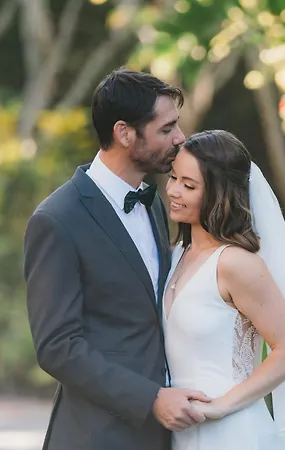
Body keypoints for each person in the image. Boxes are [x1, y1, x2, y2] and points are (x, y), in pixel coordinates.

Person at [23, 69, 211, 450]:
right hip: (97, 435)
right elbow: (57, 347)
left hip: (167, 433)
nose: (180, 138)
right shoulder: (57, 220)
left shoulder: (154, 203)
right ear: (124, 133)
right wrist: (150, 398)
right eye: (166, 128)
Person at [163, 129, 285, 450]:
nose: (173, 190)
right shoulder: (177, 255)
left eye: (189, 185)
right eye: (173, 177)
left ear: (219, 193)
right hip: (181, 432)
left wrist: (220, 406)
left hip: (232, 433)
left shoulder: (236, 263)